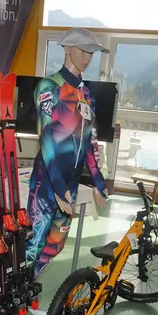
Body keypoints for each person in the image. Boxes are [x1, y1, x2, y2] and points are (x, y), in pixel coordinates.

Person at [26, 28, 109, 279]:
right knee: (34, 244)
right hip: (47, 182)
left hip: (69, 184)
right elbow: (46, 139)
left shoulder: (87, 96)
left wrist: (98, 181)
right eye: (83, 50)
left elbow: (90, 141)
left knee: (56, 244)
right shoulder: (49, 87)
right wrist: (58, 185)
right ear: (66, 49)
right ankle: (15, 294)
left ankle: (28, 287)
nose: (88, 57)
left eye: (91, 52)